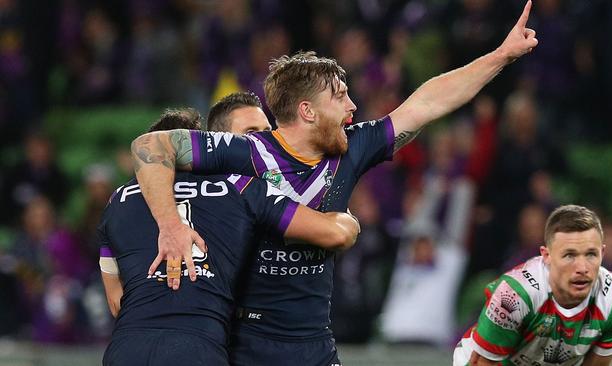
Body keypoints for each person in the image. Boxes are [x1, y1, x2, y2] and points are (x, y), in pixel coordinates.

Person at [130, 2, 538, 364]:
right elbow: (151, 146)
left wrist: (500, 56)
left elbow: (427, 103)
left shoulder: (353, 148)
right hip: (245, 345)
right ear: (307, 110)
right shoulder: (245, 152)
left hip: (315, 344)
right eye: (340, 96)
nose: (353, 106)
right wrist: (170, 226)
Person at [100, 108, 359, 365]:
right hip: (199, 345)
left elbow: (116, 302)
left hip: (127, 346)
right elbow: (333, 233)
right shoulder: (239, 187)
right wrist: (347, 219)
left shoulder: (116, 202)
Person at [453, 205, 612, 366]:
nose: (582, 268)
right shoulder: (515, 294)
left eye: (591, 254)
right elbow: (484, 361)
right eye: (569, 255)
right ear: (547, 256)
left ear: (602, 253)